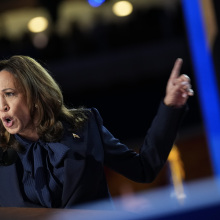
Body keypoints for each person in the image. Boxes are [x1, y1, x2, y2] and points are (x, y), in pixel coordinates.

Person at [0, 55, 193, 209]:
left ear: (35, 95)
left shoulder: (84, 127)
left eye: (9, 94)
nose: (2, 106)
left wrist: (170, 107)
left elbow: (144, 168)